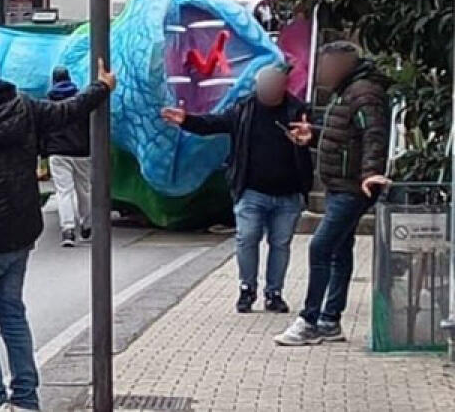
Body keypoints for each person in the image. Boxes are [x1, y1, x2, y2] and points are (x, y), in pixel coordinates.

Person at [0, 42, 114, 412]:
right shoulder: (23, 107)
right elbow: (67, 110)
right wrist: (101, 87)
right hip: (18, 233)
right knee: (12, 314)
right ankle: (26, 398)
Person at [161, 65, 311, 313]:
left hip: (289, 192)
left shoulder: (298, 111)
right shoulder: (244, 108)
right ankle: (247, 288)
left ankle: (274, 292)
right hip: (251, 190)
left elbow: (315, 133)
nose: (266, 91)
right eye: (262, 86)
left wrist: (308, 139)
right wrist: (187, 120)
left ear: (283, 87)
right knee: (247, 238)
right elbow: (214, 123)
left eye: (272, 86)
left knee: (280, 244)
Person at [275, 41, 391, 346]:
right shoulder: (347, 92)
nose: (321, 73)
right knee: (340, 251)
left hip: (353, 187)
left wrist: (370, 173)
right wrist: (313, 135)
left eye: (326, 66)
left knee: (321, 247)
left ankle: (310, 319)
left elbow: (373, 135)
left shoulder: (364, 92)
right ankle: (330, 321)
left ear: (344, 65)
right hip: (339, 183)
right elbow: (345, 135)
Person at [45, 66, 92, 248]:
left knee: (64, 192)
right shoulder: (80, 100)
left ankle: (68, 229)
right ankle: (87, 225)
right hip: (81, 151)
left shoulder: (48, 102)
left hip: (57, 152)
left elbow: (44, 129)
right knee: (84, 190)